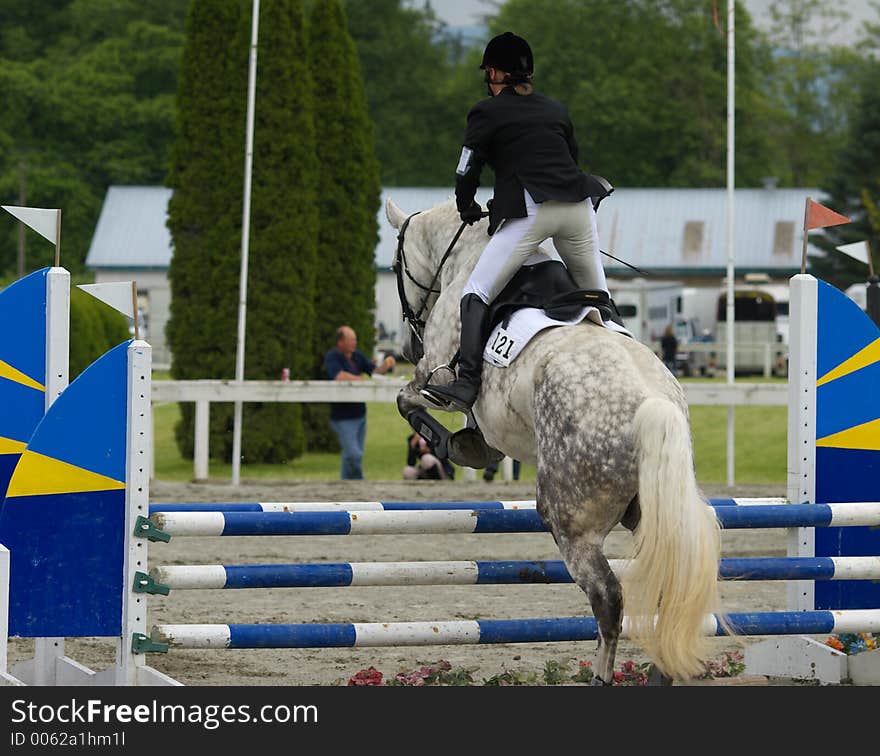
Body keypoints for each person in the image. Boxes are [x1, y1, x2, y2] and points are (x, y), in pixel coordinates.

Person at [422, 31, 612, 413]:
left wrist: (466, 206)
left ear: (494, 72)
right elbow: (567, 160)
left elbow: (467, 168)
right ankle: (633, 352)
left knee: (475, 291)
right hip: (578, 208)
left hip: (533, 211)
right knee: (599, 299)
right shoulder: (556, 109)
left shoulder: (485, 111)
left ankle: (466, 383)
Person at [324, 325, 395, 480]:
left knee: (351, 456)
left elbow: (374, 372)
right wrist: (360, 380)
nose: (354, 342)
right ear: (340, 342)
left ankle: (346, 486)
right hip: (342, 417)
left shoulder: (357, 356)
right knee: (354, 455)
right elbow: (339, 376)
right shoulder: (332, 356)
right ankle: (360, 482)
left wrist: (386, 365)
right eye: (351, 339)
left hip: (360, 414)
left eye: (355, 339)